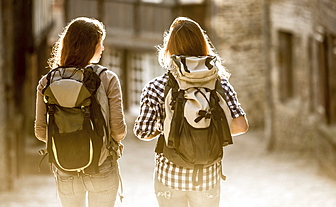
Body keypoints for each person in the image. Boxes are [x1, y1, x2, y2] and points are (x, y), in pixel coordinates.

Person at [133, 17, 249, 207]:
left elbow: (143, 132)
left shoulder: (156, 86)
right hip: (207, 177)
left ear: (169, 49)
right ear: (203, 45)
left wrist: (170, 125)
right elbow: (241, 126)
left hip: (169, 176)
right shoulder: (220, 84)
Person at [34, 17, 127, 207]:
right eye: (100, 43)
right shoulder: (107, 78)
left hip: (65, 167)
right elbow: (118, 130)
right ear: (91, 45)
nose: (102, 48)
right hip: (102, 166)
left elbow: (40, 131)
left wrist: (67, 140)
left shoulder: (47, 81)